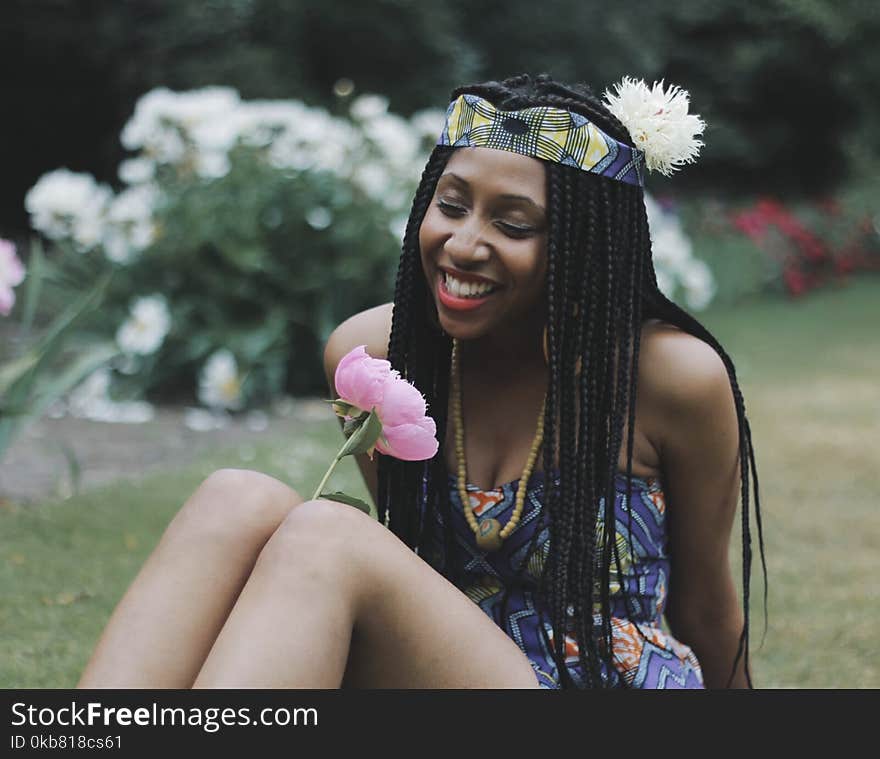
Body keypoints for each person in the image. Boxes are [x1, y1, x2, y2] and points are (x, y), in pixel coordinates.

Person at [78, 73, 764, 690]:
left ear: (582, 250)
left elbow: (706, 606)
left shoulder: (671, 377)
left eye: (512, 222)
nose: (463, 244)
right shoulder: (377, 353)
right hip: (441, 673)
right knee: (237, 496)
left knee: (327, 535)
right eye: (453, 204)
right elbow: (402, 565)